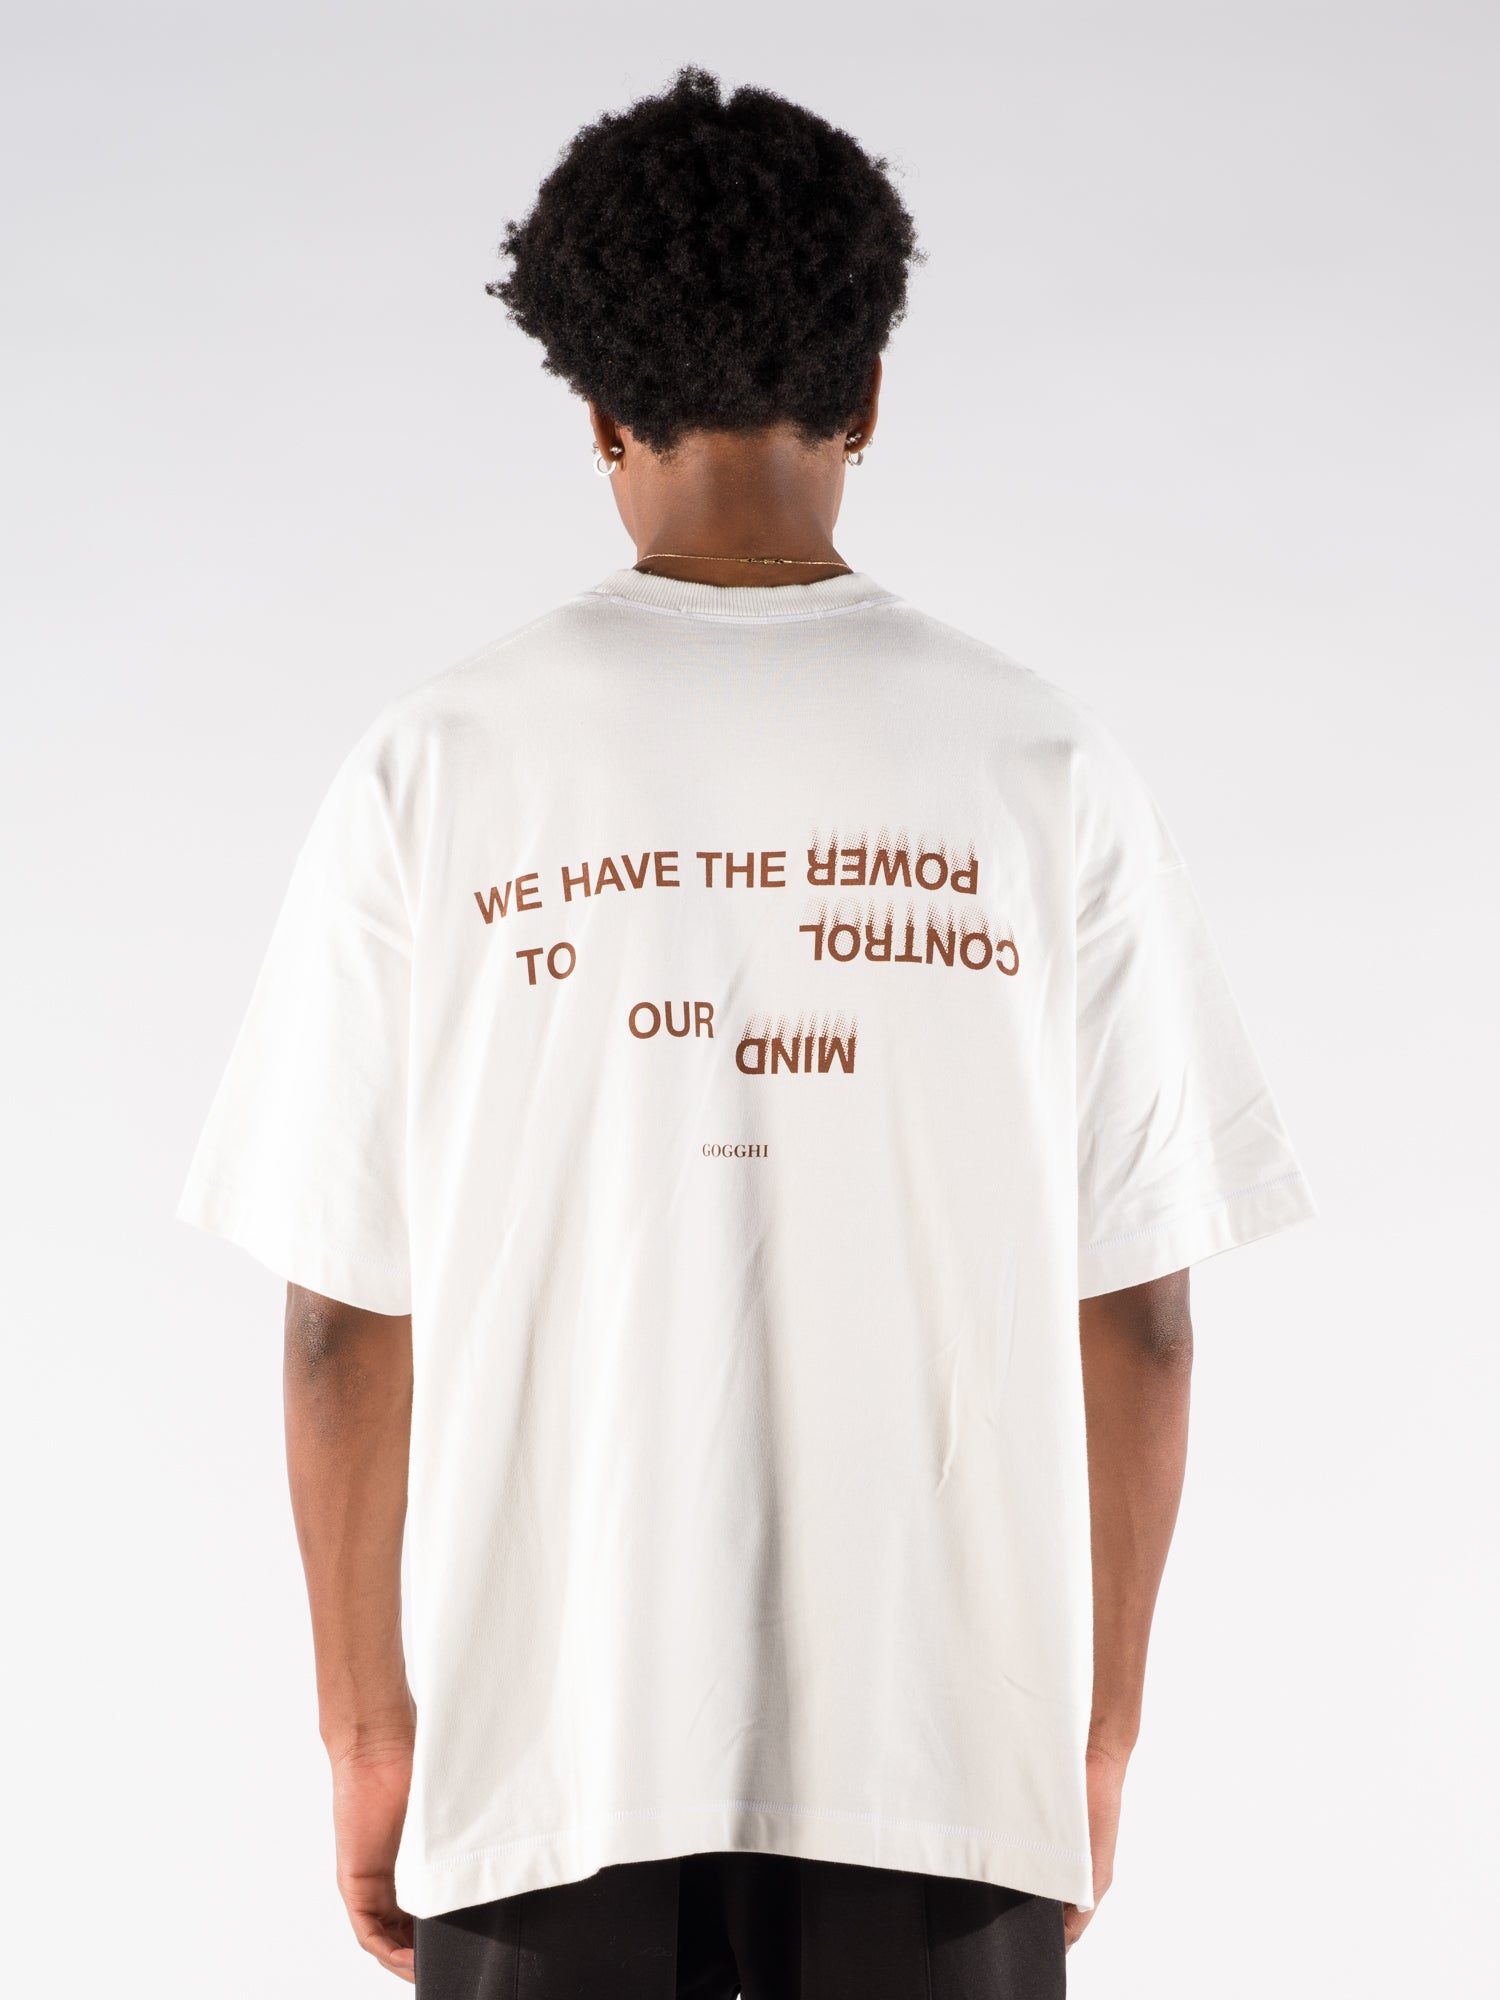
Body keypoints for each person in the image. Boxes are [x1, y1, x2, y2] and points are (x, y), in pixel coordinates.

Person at [178, 66, 1316, 1999]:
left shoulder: (437, 767)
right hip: (943, 1774)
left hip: (546, 1772)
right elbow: (1141, 1314)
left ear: (596, 410)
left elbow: (337, 1326)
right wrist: (1096, 1734)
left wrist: (369, 1738)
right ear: (867, 396)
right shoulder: (1042, 766)